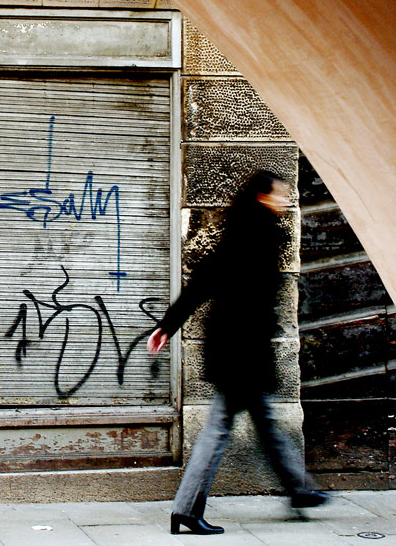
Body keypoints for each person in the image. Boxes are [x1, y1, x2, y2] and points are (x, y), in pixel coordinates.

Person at [148, 170, 327, 535]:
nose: (286, 200)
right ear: (263, 196)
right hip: (239, 352)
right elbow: (206, 283)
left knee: (265, 424)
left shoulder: (249, 230)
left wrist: (168, 325)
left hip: (240, 349)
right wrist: (168, 325)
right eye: (281, 194)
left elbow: (203, 282)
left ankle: (299, 490)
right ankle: (185, 509)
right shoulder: (253, 234)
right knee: (218, 430)